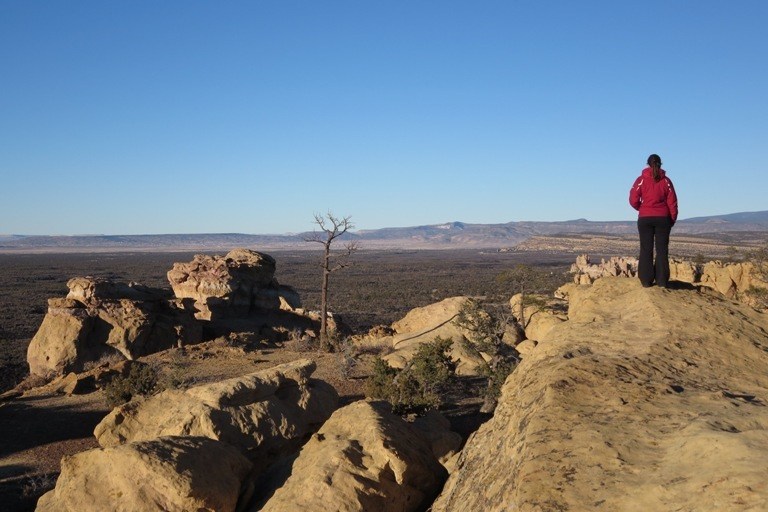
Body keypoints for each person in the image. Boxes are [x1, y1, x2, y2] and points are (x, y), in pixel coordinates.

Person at [629, 154, 678, 288]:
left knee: (646, 249)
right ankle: (662, 281)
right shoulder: (666, 181)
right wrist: (672, 218)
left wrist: (642, 208)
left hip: (645, 218)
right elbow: (672, 202)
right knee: (662, 250)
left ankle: (646, 280)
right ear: (660, 164)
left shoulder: (641, 180)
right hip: (663, 218)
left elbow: (633, 198)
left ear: (648, 164)